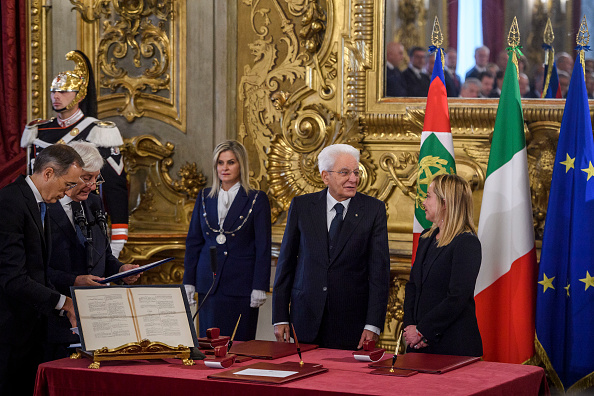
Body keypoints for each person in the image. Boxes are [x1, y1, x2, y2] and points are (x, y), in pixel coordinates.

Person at [272, 144, 390, 350]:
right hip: (305, 317)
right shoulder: (302, 206)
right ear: (325, 176)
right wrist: (280, 317)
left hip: (351, 323)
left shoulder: (373, 210)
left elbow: (379, 274)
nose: (353, 179)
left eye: (356, 172)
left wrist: (373, 324)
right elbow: (286, 264)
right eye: (345, 173)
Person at [20, 50, 129, 258]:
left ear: (79, 94)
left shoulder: (99, 131)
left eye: (63, 91)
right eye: (54, 91)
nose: (56, 96)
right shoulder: (39, 130)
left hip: (86, 219)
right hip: (45, 222)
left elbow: (114, 186)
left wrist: (118, 234)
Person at [45, 142, 140, 361]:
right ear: (69, 172)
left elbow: (102, 256)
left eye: (96, 178)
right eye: (86, 178)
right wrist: (74, 280)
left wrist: (121, 269)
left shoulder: (94, 202)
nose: (93, 185)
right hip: (57, 318)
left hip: (97, 317)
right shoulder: (45, 206)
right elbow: (37, 269)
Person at [0, 144, 83, 396]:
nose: (69, 191)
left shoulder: (38, 203)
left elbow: (38, 270)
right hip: (8, 333)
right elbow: (12, 278)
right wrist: (64, 303)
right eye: (68, 184)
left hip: (30, 332)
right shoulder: (10, 202)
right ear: (48, 174)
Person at [183, 140, 271, 341]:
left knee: (239, 345)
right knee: (209, 344)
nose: (224, 168)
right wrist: (189, 281)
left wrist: (260, 285)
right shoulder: (205, 196)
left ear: (241, 165)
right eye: (220, 163)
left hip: (241, 284)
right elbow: (194, 242)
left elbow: (263, 247)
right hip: (208, 285)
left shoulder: (256, 198)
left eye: (230, 162)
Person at [402, 174, 483, 357]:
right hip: (418, 345)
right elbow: (413, 286)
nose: (423, 202)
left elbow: (457, 297)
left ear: (445, 204)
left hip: (452, 345)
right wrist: (410, 329)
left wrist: (423, 331)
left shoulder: (466, 243)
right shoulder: (426, 238)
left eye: (429, 196)